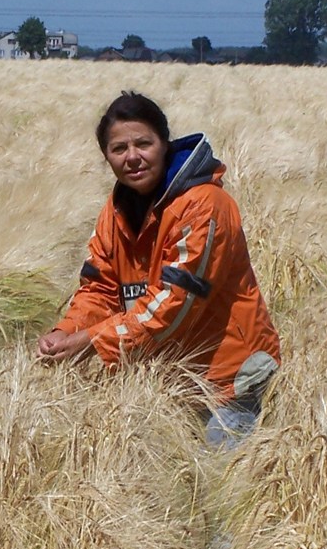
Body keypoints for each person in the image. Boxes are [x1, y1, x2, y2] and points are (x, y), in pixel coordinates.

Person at [37, 92, 280, 446]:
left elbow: (173, 306)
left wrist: (90, 340)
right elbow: (99, 289)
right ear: (106, 157)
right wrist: (66, 330)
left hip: (228, 380)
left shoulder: (204, 206)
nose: (132, 157)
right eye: (118, 149)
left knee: (216, 485)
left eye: (143, 143)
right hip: (165, 375)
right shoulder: (116, 211)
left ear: (165, 144)